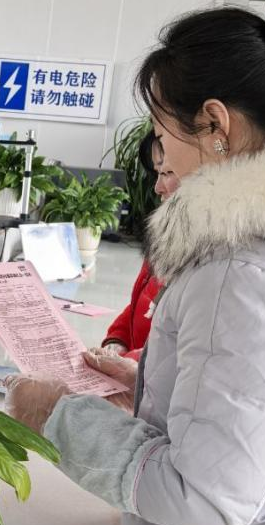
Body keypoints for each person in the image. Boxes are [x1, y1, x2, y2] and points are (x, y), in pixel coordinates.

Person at [6, 7, 265, 525]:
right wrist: (150, 381)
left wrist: (55, 416)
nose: (159, 161)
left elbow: (206, 500)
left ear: (215, 126)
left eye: (162, 135)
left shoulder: (232, 270)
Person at [90, 131, 180, 367]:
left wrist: (127, 362)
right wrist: (117, 340)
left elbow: (178, 350)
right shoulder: (167, 234)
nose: (158, 187)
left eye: (167, 172)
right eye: (157, 173)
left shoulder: (213, 252)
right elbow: (142, 303)